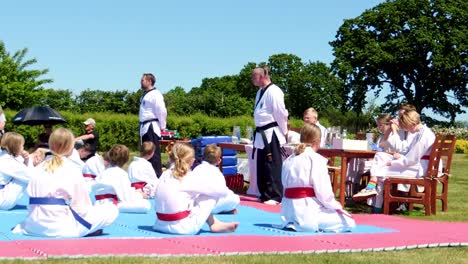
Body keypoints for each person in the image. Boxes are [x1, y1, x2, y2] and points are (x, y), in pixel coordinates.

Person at [12, 128, 118, 237]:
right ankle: (88, 229)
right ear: (71, 147)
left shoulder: (37, 168)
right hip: (60, 227)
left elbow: (30, 201)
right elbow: (82, 208)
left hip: (33, 225)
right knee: (111, 210)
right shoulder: (72, 169)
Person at [352, 110, 436, 213]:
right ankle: (373, 192)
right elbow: (406, 150)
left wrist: (392, 163)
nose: (405, 129)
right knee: (380, 155)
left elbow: (412, 159)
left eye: (405, 126)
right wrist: (398, 156)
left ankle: (375, 204)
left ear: (411, 123)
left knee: (380, 172)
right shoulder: (421, 132)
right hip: (416, 165)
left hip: (419, 168)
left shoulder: (424, 135)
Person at [280, 123, 355, 232]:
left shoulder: (289, 159)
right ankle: (313, 225)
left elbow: (284, 185)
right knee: (349, 222)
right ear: (318, 141)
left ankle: (294, 222)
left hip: (287, 212)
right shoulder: (316, 160)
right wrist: (337, 206)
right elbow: (324, 193)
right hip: (307, 212)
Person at [153, 143, 239, 235]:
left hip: (159, 224)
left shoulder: (164, 174)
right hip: (183, 228)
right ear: (192, 161)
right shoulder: (189, 176)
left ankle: (215, 222)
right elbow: (221, 191)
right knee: (208, 195)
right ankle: (213, 223)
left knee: (192, 196)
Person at [251, 66, 289, 205]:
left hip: (271, 132)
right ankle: (265, 194)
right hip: (261, 133)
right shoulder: (260, 92)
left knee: (272, 165)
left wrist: (284, 132)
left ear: (261, 76)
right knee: (262, 165)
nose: (252, 80)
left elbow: (281, 113)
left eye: (254, 77)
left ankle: (275, 196)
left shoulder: (275, 91)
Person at [94, 144, 151, 213]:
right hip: (111, 205)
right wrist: (140, 195)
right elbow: (127, 197)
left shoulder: (103, 172)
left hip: (98, 203)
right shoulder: (121, 174)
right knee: (146, 205)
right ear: (125, 160)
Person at [192, 144, 240, 214]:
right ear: (219, 161)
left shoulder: (196, 169)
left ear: (203, 157)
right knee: (235, 198)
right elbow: (223, 191)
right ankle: (224, 209)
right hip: (212, 206)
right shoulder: (217, 173)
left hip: (196, 205)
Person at [139, 73, 167, 178]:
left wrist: (162, 127)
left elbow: (162, 111)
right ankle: (147, 176)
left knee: (153, 154)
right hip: (144, 127)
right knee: (145, 153)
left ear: (149, 81)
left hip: (151, 126)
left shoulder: (156, 94)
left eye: (143, 80)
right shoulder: (145, 94)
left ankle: (157, 176)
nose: (141, 82)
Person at [0, 132, 37, 210]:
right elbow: (32, 177)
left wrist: (26, 161)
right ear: (16, 146)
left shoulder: (3, 157)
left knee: (21, 176)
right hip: (2, 201)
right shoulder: (9, 162)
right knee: (23, 179)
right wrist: (29, 160)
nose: (23, 148)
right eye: (22, 145)